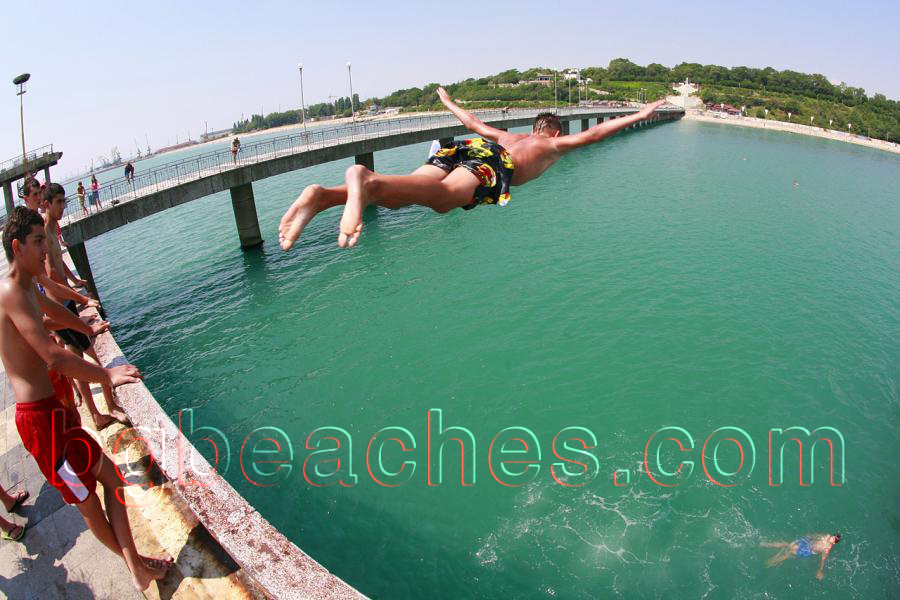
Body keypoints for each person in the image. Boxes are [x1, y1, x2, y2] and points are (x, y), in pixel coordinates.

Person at [0, 206, 172, 589]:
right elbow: (54, 355)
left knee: (112, 481)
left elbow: (55, 314)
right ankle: (138, 569)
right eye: (38, 241)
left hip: (54, 414)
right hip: (41, 424)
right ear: (17, 246)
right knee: (90, 506)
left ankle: (137, 566)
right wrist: (107, 373)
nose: (46, 248)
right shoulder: (10, 292)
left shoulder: (27, 285)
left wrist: (89, 327)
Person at [279, 87, 666, 250]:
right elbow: (597, 133)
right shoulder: (551, 145)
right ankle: (359, 176)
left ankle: (322, 196)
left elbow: (472, 124)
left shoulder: (507, 134)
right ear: (553, 130)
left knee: (397, 197)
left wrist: (447, 101)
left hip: (466, 148)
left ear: (531, 126)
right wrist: (641, 113)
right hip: (493, 163)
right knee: (446, 200)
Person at [43, 184, 128, 429]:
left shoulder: (51, 230)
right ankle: (109, 407)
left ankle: (96, 414)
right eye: (58, 202)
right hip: (62, 309)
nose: (62, 207)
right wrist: (83, 299)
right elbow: (51, 275)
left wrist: (75, 281)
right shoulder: (45, 234)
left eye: (63, 202)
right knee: (99, 359)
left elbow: (59, 266)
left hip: (65, 305)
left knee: (76, 359)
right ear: (46, 204)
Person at [761, 533, 841, 580]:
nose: (833, 538)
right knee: (788, 545)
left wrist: (820, 570)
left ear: (834, 543)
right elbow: (815, 535)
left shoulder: (827, 549)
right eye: (834, 536)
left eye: (834, 539)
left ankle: (773, 561)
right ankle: (767, 544)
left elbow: (823, 559)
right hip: (807, 542)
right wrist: (808, 536)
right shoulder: (826, 536)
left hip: (808, 551)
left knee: (790, 553)